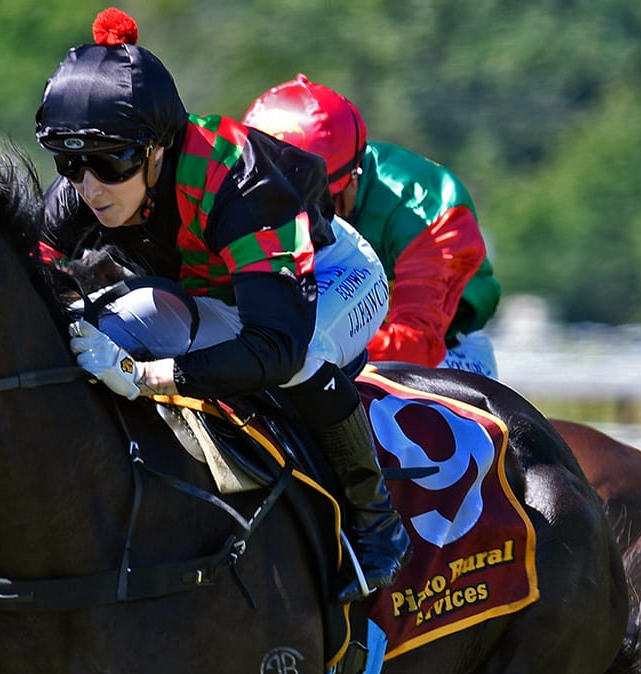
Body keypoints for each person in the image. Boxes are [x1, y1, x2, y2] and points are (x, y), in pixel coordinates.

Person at [35, 8, 409, 602]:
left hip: (330, 278)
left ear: (157, 149)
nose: (90, 185)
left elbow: (273, 347)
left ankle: (377, 520)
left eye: (110, 162)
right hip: (220, 288)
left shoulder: (236, 182)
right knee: (101, 320)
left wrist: (148, 376)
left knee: (302, 357)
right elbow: (32, 285)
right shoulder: (86, 186)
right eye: (69, 163)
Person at [243, 75, 502, 379]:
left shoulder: (426, 211)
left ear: (353, 177)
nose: (299, 224)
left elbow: (417, 345)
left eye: (316, 205)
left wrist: (302, 341)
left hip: (444, 353)